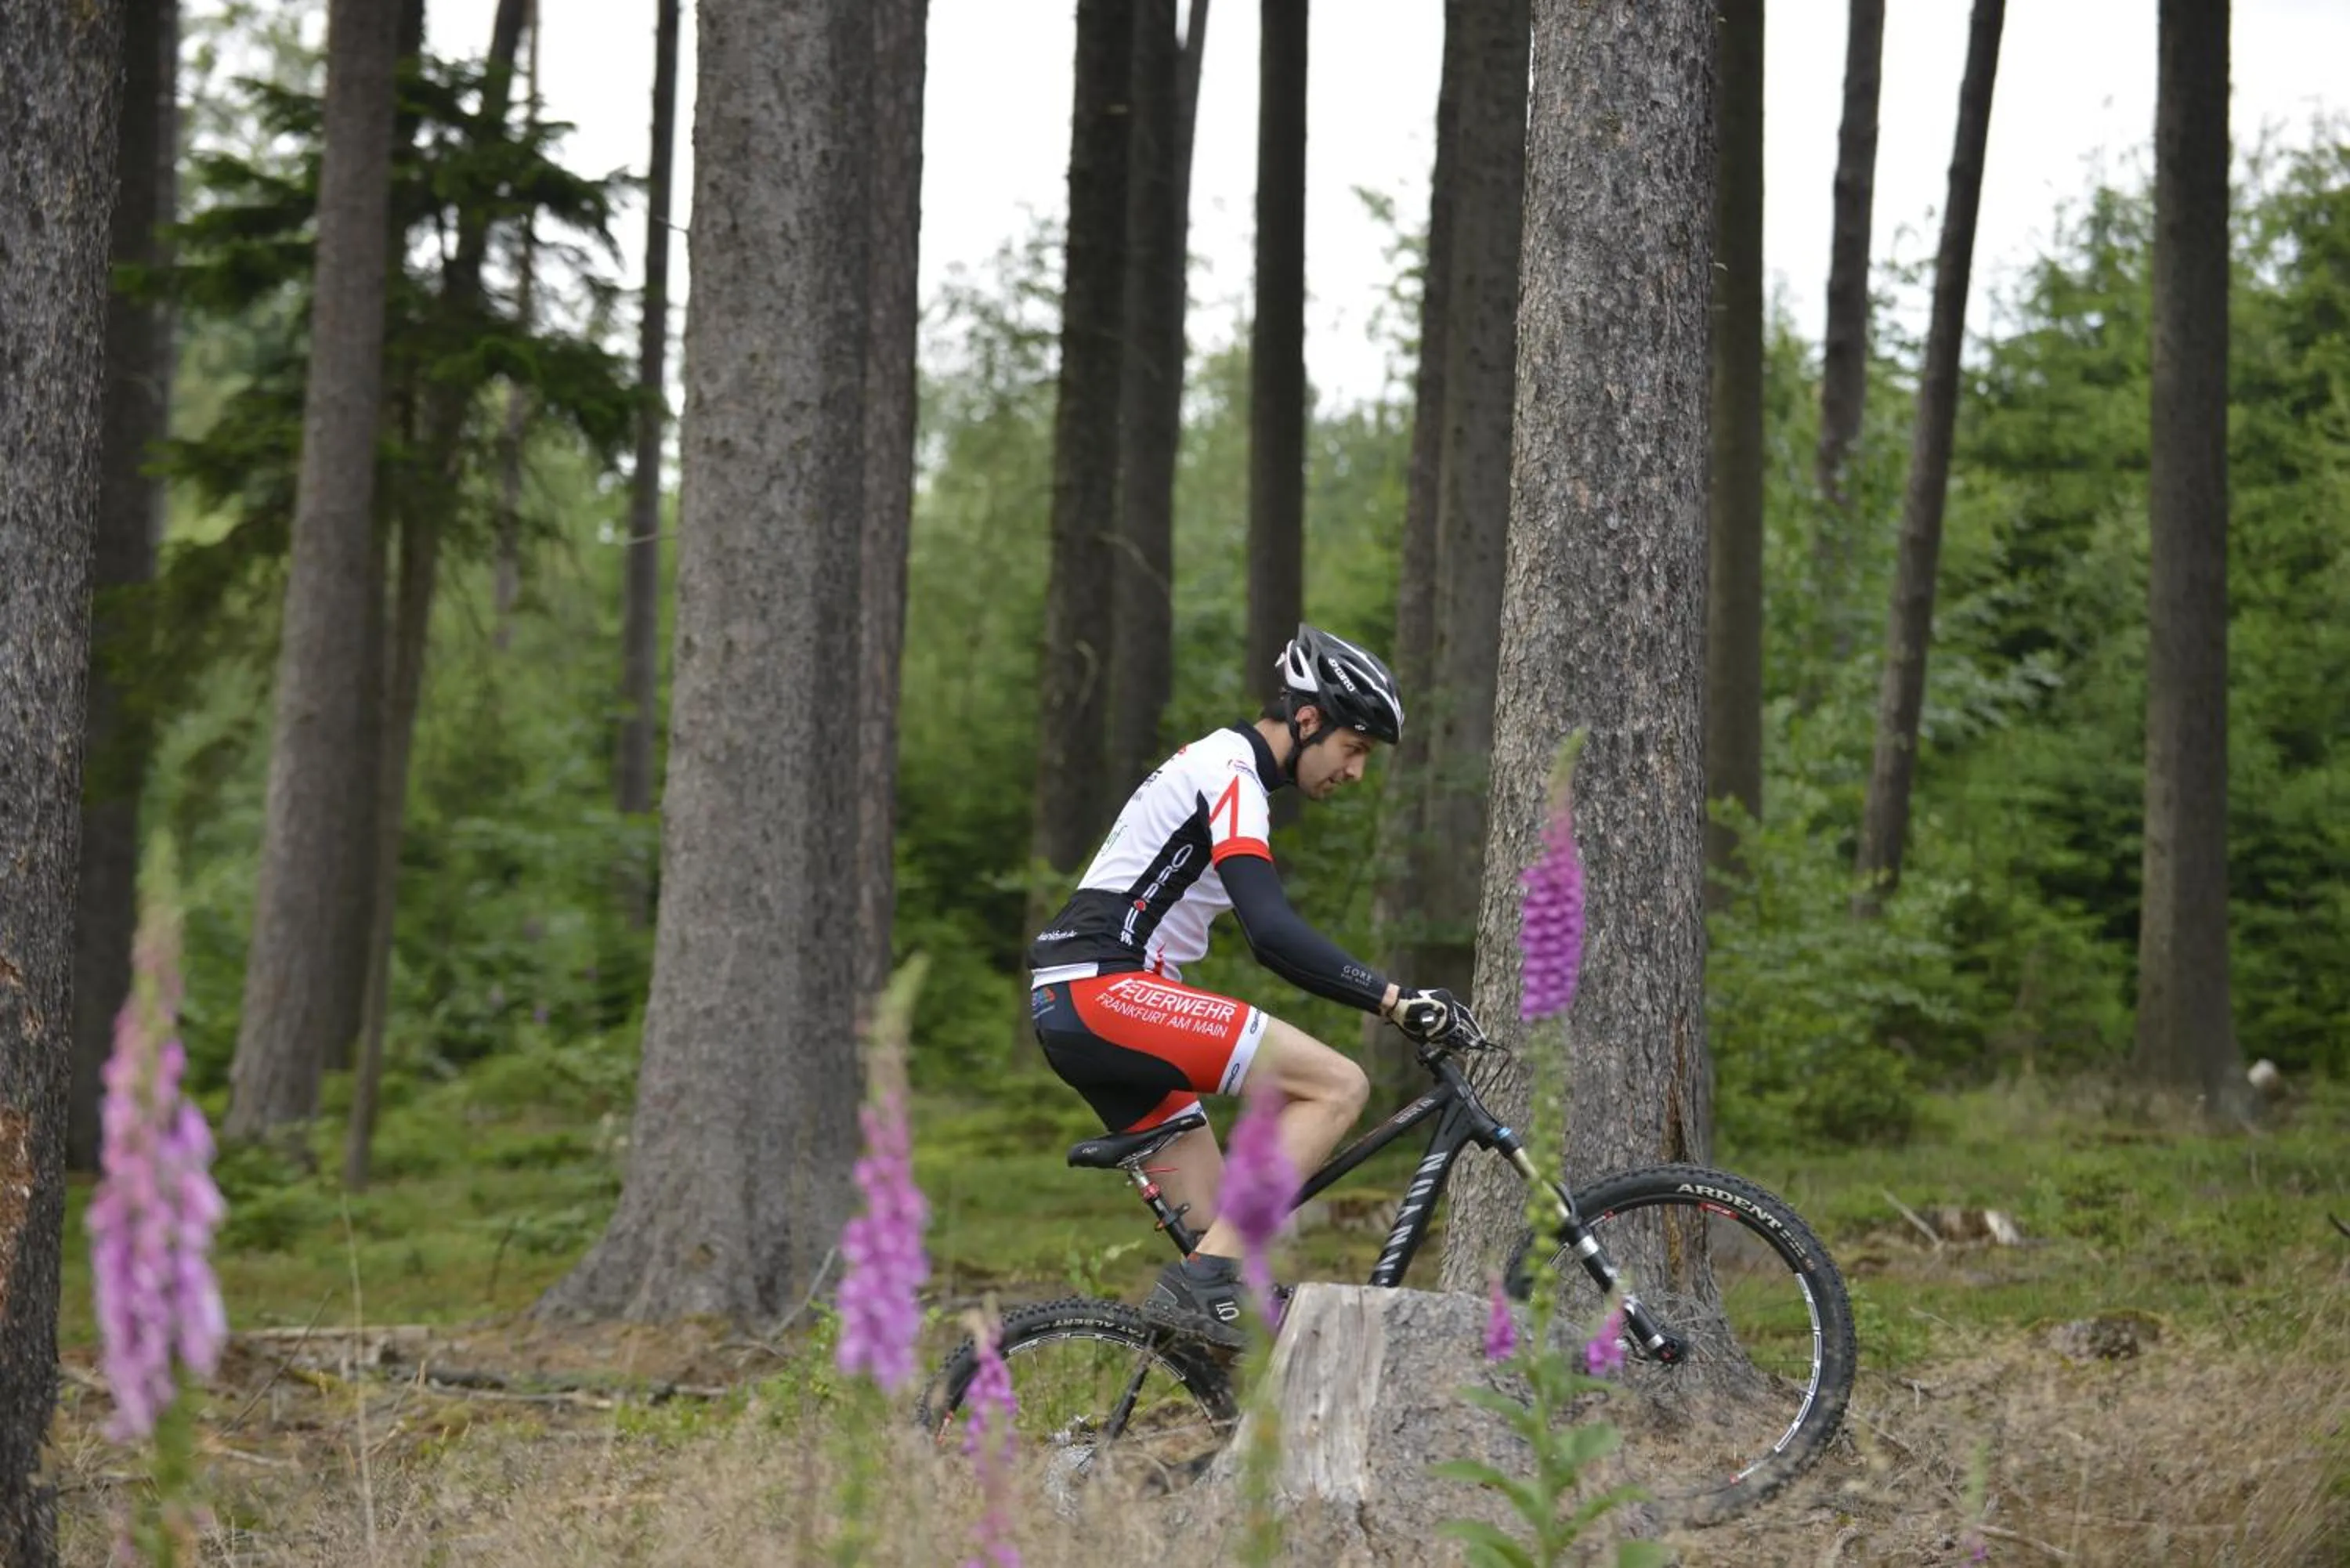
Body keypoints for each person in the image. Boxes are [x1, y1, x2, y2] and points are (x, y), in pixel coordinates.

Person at [1025, 623, 1464, 1336]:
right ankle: (1204, 1289)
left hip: (1078, 1003)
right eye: (1355, 748)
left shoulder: (1223, 769)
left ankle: (1213, 1387)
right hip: (1103, 991)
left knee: (1229, 1277)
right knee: (1338, 1086)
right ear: (1308, 719)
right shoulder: (1231, 772)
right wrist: (1394, 1000)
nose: (1357, 771)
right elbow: (1272, 934)